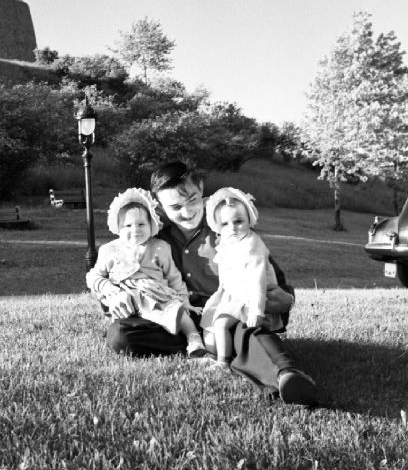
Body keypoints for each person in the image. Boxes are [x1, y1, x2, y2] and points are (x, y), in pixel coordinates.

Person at [101, 161, 319, 406]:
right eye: (175, 207)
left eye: (192, 200)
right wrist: (112, 293)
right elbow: (114, 272)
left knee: (247, 332)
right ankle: (205, 346)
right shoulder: (152, 237)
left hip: (226, 316)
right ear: (160, 205)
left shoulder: (228, 224)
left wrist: (271, 302)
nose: (186, 212)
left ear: (201, 187)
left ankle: (286, 376)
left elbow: (277, 288)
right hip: (179, 318)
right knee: (121, 334)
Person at [87, 188, 207, 358]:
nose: (135, 229)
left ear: (152, 225)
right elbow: (94, 276)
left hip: (158, 295)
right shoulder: (110, 250)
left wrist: (185, 301)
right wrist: (110, 290)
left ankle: (193, 337)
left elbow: (174, 278)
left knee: (176, 309)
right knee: (122, 330)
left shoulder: (160, 247)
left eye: (141, 224)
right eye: (128, 225)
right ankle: (154, 335)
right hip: (129, 300)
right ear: (118, 228)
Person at [200, 187, 282, 369]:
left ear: (249, 220)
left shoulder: (251, 246)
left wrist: (257, 311)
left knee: (221, 323)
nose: (232, 228)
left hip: (251, 298)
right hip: (232, 294)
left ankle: (223, 362)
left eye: (238, 221)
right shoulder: (228, 242)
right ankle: (213, 353)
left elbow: (258, 281)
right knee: (210, 319)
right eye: (225, 224)